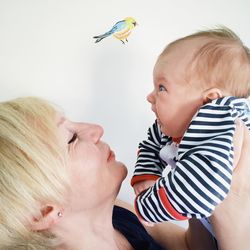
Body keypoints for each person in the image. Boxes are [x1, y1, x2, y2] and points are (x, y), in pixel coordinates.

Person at [0, 96, 249, 250]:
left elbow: (190, 246)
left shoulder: (119, 215)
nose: (96, 130)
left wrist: (194, 179)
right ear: (44, 213)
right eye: (72, 139)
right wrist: (233, 212)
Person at [131, 27, 250, 236]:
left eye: (161, 87)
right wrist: (146, 176)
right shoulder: (175, 127)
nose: (150, 96)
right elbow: (151, 143)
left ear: (209, 100)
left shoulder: (222, 128)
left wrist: (148, 207)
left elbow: (201, 188)